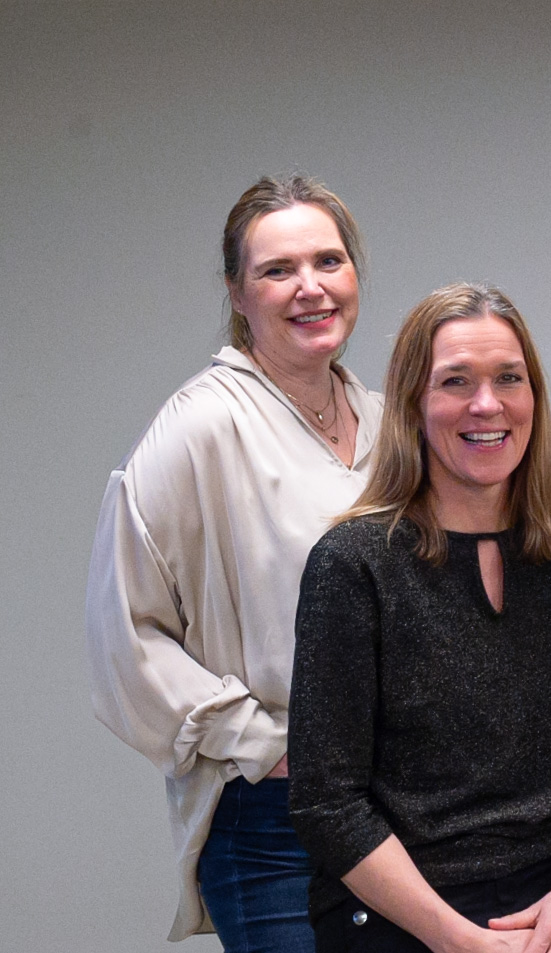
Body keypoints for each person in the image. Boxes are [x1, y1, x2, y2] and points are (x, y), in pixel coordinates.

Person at [288, 283, 551, 953]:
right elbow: (328, 803)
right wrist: (459, 940)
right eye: (456, 381)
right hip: (407, 900)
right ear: (414, 405)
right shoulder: (353, 565)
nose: (488, 404)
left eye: (510, 378)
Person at [85, 174, 381, 950]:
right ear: (237, 292)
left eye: (328, 260)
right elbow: (124, 637)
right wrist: (263, 743)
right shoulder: (203, 426)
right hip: (273, 822)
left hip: (399, 807)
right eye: (277, 270)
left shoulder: (389, 420)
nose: (310, 287)